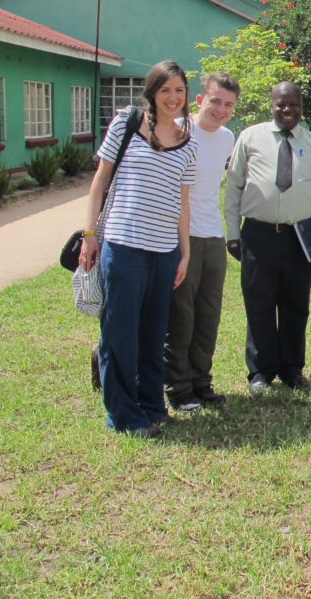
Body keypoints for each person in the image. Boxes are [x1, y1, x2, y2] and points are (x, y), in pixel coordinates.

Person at [79, 60, 198, 437]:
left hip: (163, 252)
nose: (173, 98)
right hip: (123, 245)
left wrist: (185, 252)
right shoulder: (127, 125)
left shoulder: (187, 141)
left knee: (152, 333)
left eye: (179, 90)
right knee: (120, 331)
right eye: (165, 90)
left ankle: (151, 405)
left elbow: (183, 201)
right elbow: (99, 182)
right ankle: (123, 415)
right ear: (152, 92)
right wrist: (89, 233)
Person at [224, 81, 311, 394]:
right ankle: (261, 371)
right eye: (280, 105)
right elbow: (234, 186)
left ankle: (291, 368)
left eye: (293, 105)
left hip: (299, 237)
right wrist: (233, 232)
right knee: (259, 304)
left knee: (295, 304)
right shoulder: (250, 137)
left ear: (301, 107)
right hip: (258, 234)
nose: (287, 110)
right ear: (271, 106)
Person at [163, 72, 239, 412]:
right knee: (181, 315)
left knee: (208, 314)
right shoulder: (176, 131)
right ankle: (177, 387)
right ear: (199, 101)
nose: (220, 110)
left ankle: (201, 381)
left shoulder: (227, 138)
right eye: (215, 101)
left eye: (228, 105)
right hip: (181, 235)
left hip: (213, 234)